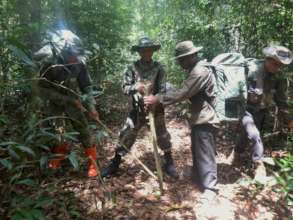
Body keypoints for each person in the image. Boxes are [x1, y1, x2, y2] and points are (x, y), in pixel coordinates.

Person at [144, 41, 219, 197]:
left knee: (205, 152)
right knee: (198, 149)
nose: (179, 63)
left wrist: (157, 99)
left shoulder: (200, 72)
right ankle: (198, 178)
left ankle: (210, 189)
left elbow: (182, 93)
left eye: (181, 59)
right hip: (199, 117)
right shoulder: (196, 70)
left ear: (191, 57)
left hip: (206, 118)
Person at [101, 37, 178, 179]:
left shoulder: (159, 68)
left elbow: (163, 90)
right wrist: (135, 87)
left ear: (152, 51)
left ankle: (169, 162)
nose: (146, 53)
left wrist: (155, 98)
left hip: (155, 110)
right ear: (139, 52)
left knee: (162, 136)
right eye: (143, 50)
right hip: (137, 110)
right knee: (126, 134)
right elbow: (124, 88)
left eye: (149, 50)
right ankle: (115, 163)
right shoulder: (132, 68)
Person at [34, 29, 100, 177]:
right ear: (64, 52)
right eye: (72, 55)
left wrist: (91, 107)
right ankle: (59, 157)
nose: (75, 59)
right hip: (56, 102)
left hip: (74, 100)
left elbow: (86, 87)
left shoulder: (80, 62)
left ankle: (93, 161)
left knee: (84, 130)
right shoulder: (49, 62)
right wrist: (66, 100)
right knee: (59, 132)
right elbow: (41, 89)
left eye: (77, 55)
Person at [231, 45, 293, 181]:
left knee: (247, 135)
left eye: (280, 65)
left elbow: (281, 101)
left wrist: (289, 120)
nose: (277, 67)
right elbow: (236, 90)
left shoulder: (279, 77)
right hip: (245, 109)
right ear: (267, 59)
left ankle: (236, 155)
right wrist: (234, 115)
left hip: (261, 111)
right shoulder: (251, 70)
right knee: (254, 135)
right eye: (274, 63)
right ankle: (259, 167)